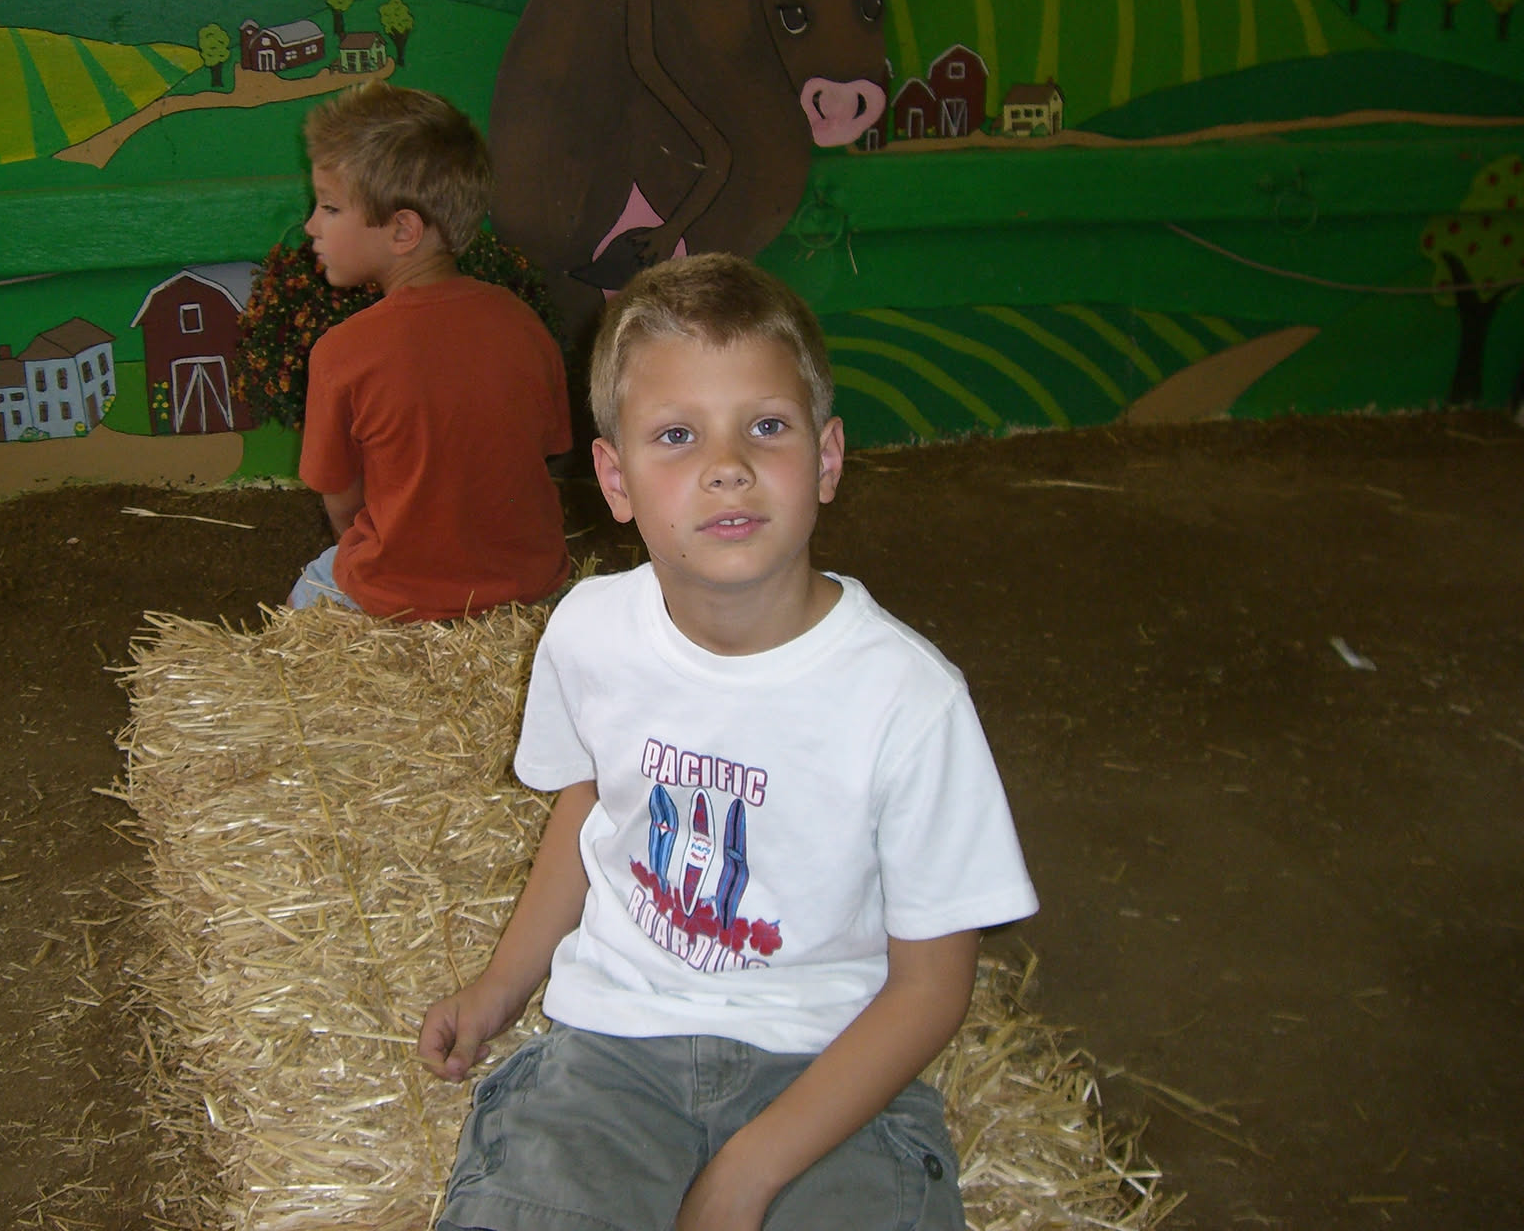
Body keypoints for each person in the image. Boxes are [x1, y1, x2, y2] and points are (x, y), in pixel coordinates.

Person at [417, 254, 1039, 1231]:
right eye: (677, 435)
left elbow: (931, 988)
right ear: (615, 479)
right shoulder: (590, 633)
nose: (727, 466)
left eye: (767, 427)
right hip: (611, 1052)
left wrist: (750, 1170)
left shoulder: (908, 700)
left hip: (829, 1067)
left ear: (827, 459)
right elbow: (592, 803)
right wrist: (501, 989)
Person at [288, 82, 573, 621]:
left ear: (403, 230)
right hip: (529, 586)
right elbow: (546, 450)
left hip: (396, 596)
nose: (311, 226)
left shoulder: (341, 352)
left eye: (329, 207)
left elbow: (342, 502)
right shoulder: (523, 323)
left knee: (305, 594)